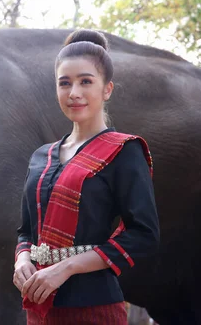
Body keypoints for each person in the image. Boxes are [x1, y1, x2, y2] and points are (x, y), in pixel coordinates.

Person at [13, 29, 160, 324]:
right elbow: (25, 232)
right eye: (64, 83)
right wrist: (22, 259)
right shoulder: (41, 157)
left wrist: (66, 267)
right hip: (39, 307)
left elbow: (144, 234)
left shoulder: (124, 151)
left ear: (107, 89)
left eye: (85, 82)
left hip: (94, 307)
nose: (74, 93)